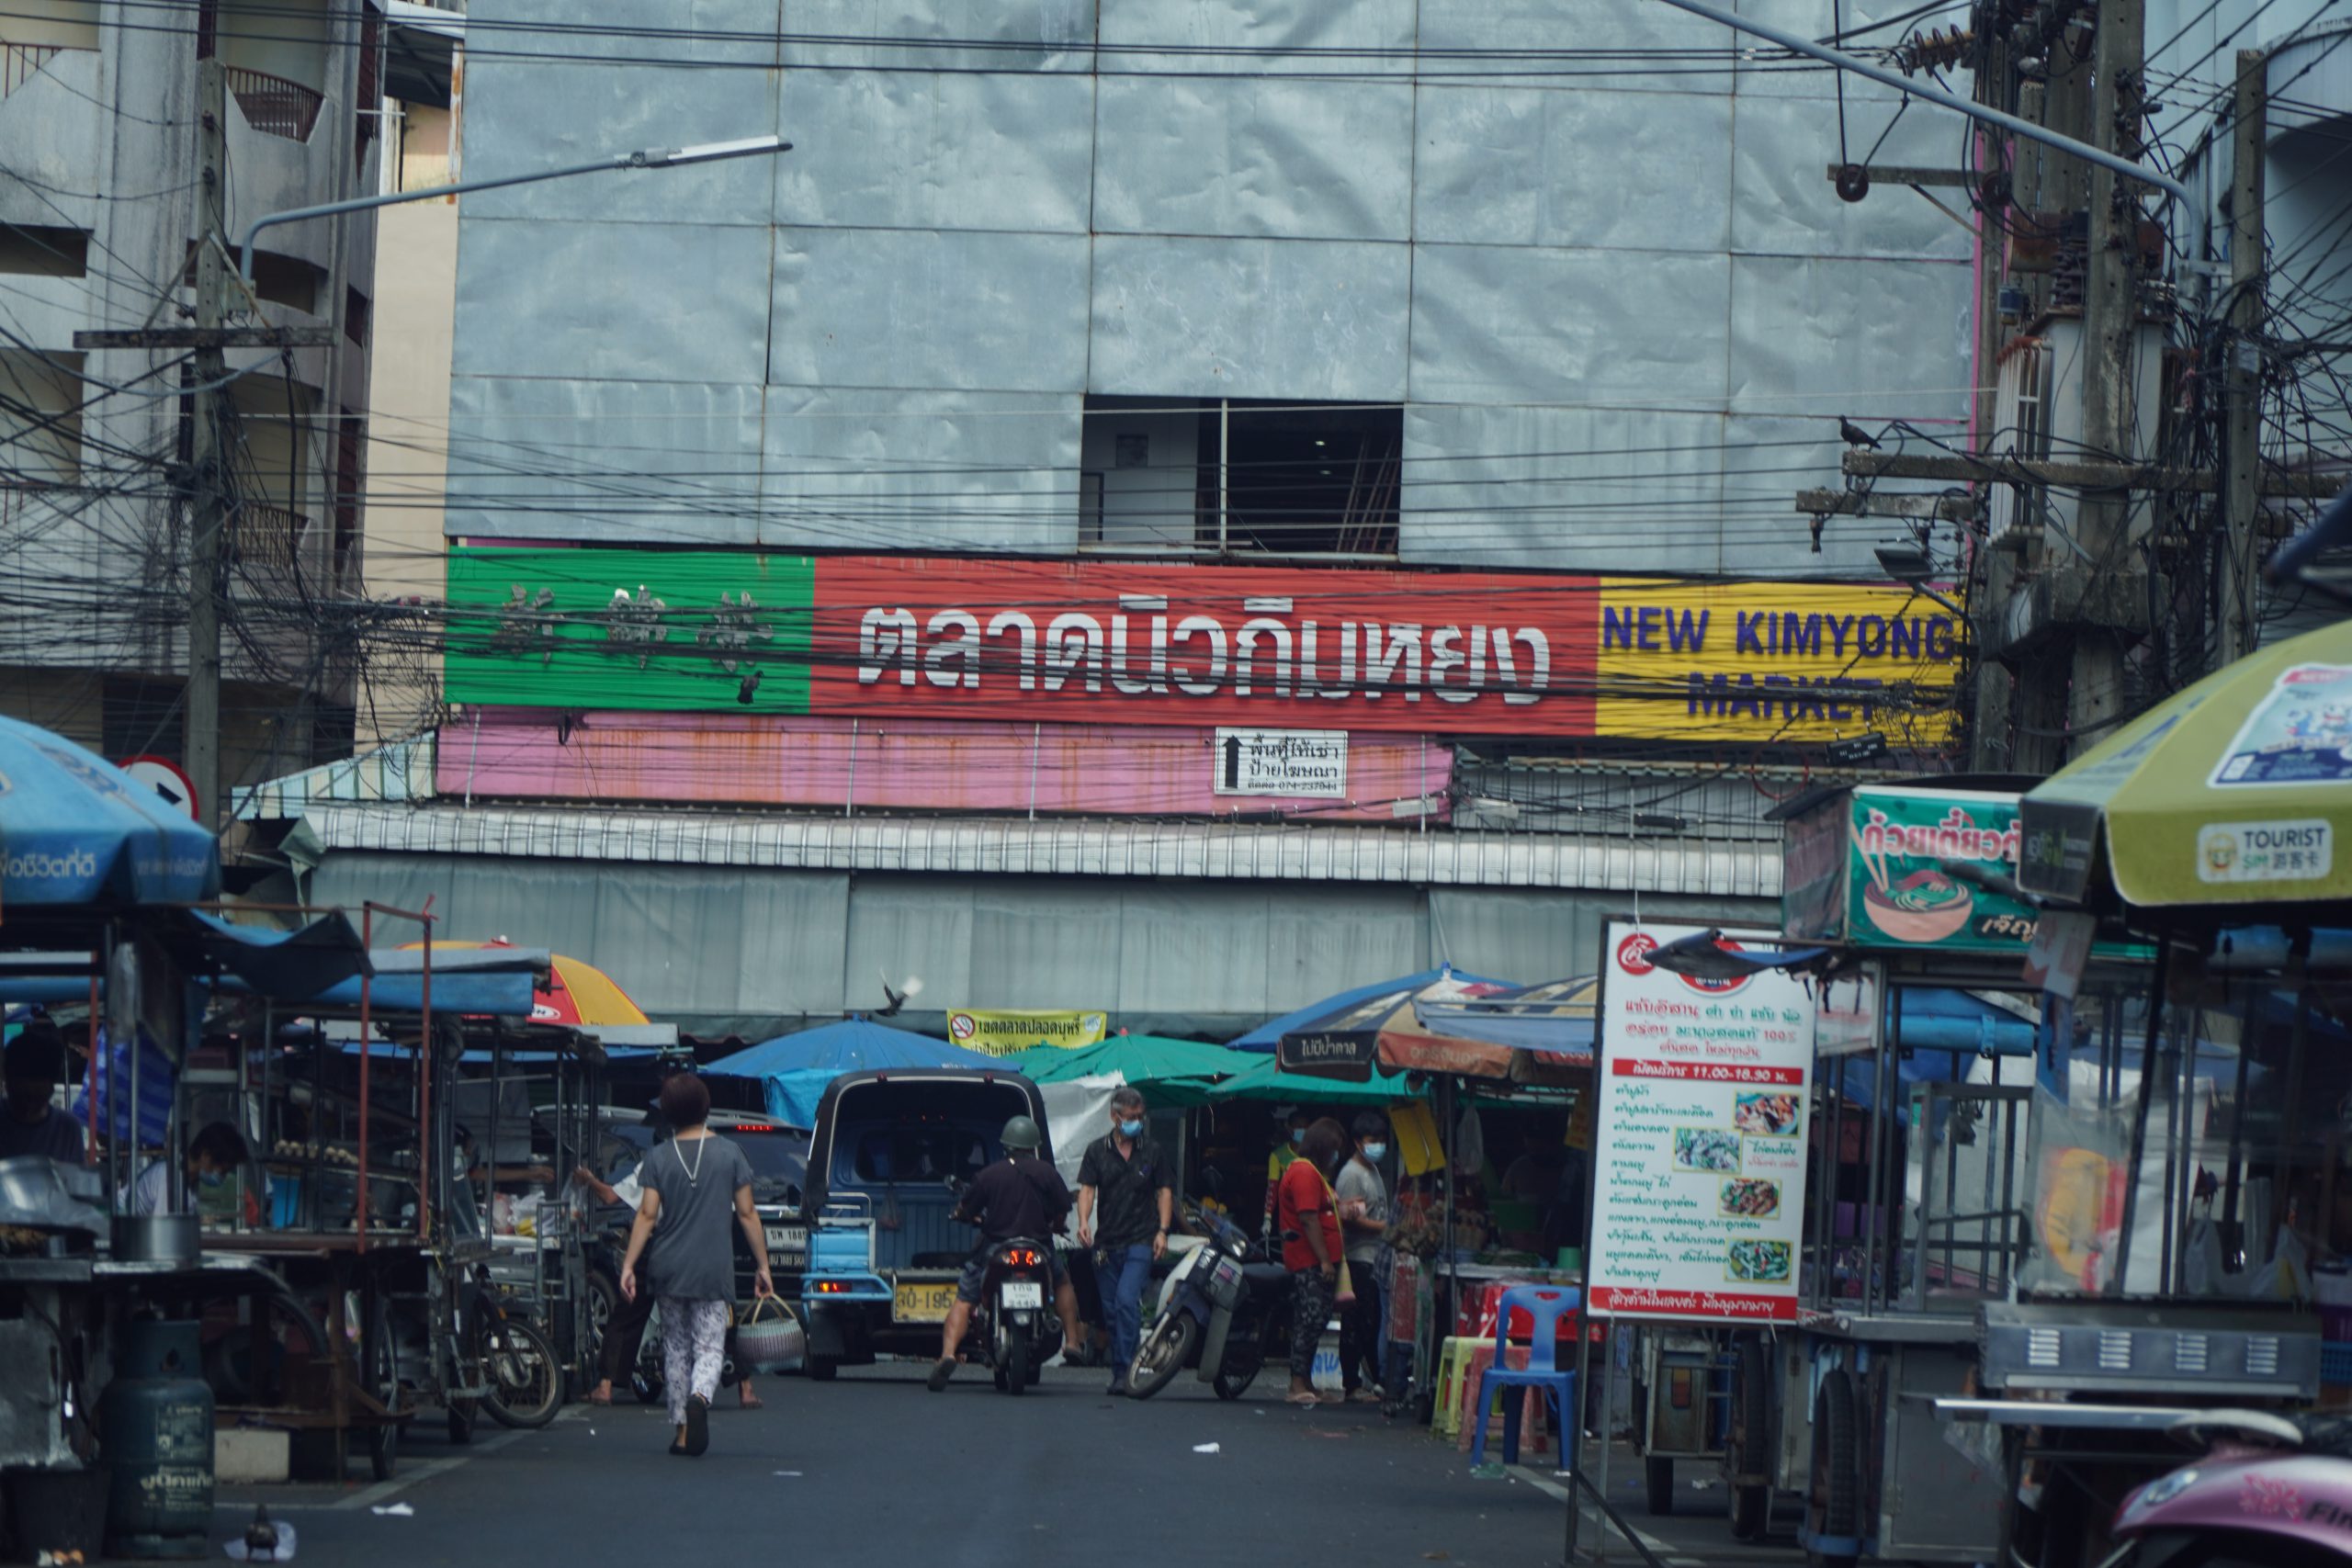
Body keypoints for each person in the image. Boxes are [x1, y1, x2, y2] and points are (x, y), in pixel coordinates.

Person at [617, 1074, 773, 1457]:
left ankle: (683, 1434)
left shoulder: (657, 1157)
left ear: (667, 1113)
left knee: (675, 1347)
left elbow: (647, 1215)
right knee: (708, 1346)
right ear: (705, 1108)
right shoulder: (731, 1154)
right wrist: (762, 1265)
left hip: (667, 1266)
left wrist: (628, 1265)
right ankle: (701, 1397)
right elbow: (748, 1214)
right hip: (712, 1268)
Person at [575, 1153, 766, 1410]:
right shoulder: (722, 1159)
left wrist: (589, 1179)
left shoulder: (658, 1160)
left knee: (628, 1313)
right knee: (717, 1314)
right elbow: (743, 1212)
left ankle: (606, 1386)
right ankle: (745, 1388)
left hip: (661, 1245)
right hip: (705, 1248)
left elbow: (612, 1198)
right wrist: (761, 1264)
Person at [927, 1114, 1086, 1392]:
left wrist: (962, 1215)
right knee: (1062, 1283)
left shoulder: (989, 1175)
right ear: (1033, 1145)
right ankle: (1072, 1342)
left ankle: (948, 1354)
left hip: (995, 1248)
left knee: (965, 1298)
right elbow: (1062, 1210)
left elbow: (968, 1209)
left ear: (1006, 1146)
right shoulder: (1047, 1172)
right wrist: (1056, 1226)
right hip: (1038, 1248)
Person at [1076, 1087, 1173, 1395]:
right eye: (1130, 1117)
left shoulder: (1153, 1151)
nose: (1136, 1122)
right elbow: (1087, 1191)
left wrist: (1163, 1231)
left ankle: (1125, 1370)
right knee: (1112, 1311)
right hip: (1106, 1243)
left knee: (1126, 1301)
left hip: (1141, 1239)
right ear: (1114, 1117)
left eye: (1139, 1117)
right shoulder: (1096, 1150)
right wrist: (1083, 1223)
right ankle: (1121, 1369)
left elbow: (1164, 1192)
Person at [1278, 1117, 1348, 1406]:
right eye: (1333, 1150)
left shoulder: (1313, 1173)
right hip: (1309, 1261)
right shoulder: (1305, 1173)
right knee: (1310, 1319)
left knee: (1316, 1319)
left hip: (1315, 1260)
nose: (1336, 1156)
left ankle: (1306, 1381)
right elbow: (1308, 1219)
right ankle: (1297, 1383)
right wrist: (1324, 1261)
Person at [1335, 1111, 1392, 1404]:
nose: (1378, 1146)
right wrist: (1387, 1228)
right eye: (1373, 1141)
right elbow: (1349, 1219)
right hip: (1358, 1258)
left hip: (1375, 1258)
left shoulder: (1371, 1170)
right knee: (1356, 1323)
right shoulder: (1351, 1175)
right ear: (1359, 1143)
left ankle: (1376, 1382)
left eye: (1382, 1141)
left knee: (1372, 1322)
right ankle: (1351, 1384)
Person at [1, 1021, 84, 1163]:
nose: (28, 1108)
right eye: (21, 1097)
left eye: (36, 1098)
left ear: (51, 1090)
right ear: (7, 1085)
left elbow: (75, 1182)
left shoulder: (68, 1129)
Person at [127, 1122, 250, 1217]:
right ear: (205, 1156)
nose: (222, 1177)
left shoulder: (190, 1181)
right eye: (222, 1171)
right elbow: (164, 1230)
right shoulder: (168, 1177)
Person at [1261, 1104, 1310, 1237]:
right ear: (1289, 1128)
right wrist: (1267, 1218)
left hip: (1312, 1213)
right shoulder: (1278, 1155)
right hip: (1288, 1215)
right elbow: (1272, 1188)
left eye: (1306, 1127)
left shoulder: (1315, 1154)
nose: (1303, 1130)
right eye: (1299, 1127)